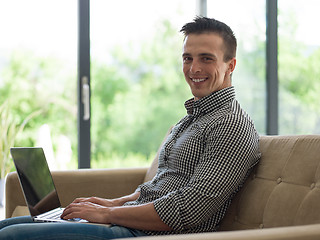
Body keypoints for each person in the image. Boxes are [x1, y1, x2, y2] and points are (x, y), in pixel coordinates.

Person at [0, 17, 261, 239]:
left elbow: (188, 208)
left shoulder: (231, 125)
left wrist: (106, 214)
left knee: (9, 236)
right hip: (130, 222)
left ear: (231, 65)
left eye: (206, 58)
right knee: (6, 226)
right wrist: (111, 203)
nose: (194, 68)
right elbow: (160, 187)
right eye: (187, 58)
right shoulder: (191, 118)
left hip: (147, 234)